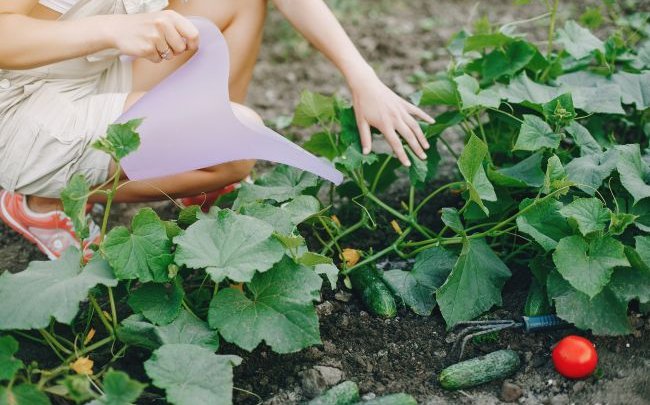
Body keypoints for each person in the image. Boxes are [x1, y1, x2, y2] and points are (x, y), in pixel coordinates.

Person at [0, 0, 434, 259]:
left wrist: (362, 78)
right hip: (25, 110)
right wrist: (112, 28)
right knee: (236, 141)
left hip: (92, 72)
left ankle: (198, 177)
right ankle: (42, 200)